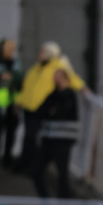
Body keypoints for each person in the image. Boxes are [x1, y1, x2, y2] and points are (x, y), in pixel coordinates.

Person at [15, 42, 85, 173]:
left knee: (32, 137)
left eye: (42, 52)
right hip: (29, 108)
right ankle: (25, 164)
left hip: (40, 109)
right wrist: (19, 101)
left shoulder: (57, 66)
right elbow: (28, 86)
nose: (40, 54)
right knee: (28, 137)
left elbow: (71, 78)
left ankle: (29, 166)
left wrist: (83, 88)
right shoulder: (37, 67)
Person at [32, 69, 79, 198]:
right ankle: (45, 201)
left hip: (63, 141)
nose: (54, 79)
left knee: (62, 174)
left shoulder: (69, 95)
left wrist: (53, 111)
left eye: (57, 76)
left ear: (65, 78)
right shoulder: (52, 95)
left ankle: (63, 202)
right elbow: (41, 111)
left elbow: (62, 113)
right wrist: (51, 111)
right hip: (48, 140)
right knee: (36, 170)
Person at [0, 38, 23, 168]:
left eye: (12, 49)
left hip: (13, 105)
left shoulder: (17, 64)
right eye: (9, 49)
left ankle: (7, 161)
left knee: (11, 135)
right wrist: (0, 77)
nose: (11, 52)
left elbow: (20, 83)